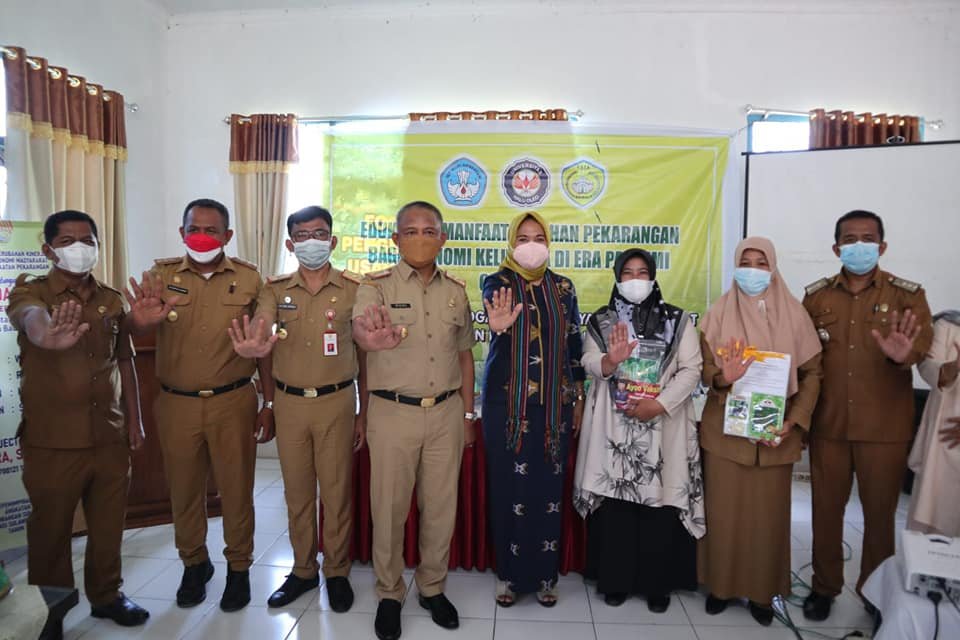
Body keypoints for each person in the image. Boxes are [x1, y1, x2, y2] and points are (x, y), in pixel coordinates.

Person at [124, 198, 270, 612]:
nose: (201, 236)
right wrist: (140, 322)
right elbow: (135, 324)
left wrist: (269, 401)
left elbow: (264, 343)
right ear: (181, 231)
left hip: (234, 401)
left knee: (237, 491)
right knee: (184, 491)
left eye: (210, 229)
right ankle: (195, 564)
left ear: (227, 236)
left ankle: (239, 569)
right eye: (193, 228)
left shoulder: (248, 278)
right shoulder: (161, 275)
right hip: (176, 404)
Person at [7, 210, 150, 628]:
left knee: (108, 526)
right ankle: (52, 608)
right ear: (48, 249)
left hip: (109, 435)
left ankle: (107, 595)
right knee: (50, 531)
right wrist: (44, 332)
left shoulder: (111, 299)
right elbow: (28, 318)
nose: (79, 248)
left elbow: (124, 363)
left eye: (88, 240)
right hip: (52, 441)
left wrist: (135, 423)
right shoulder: (29, 293)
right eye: (68, 241)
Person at [227, 205, 367, 610]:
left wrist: (363, 412)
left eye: (319, 234)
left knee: (337, 493)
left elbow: (367, 355)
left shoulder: (354, 289)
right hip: (289, 403)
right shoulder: (274, 288)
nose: (311, 242)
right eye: (302, 235)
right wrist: (256, 347)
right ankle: (303, 570)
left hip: (338, 400)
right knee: (298, 493)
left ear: (333, 240)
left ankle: (336, 571)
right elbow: (263, 326)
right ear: (290, 243)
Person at [352, 201, 476, 640]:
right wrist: (374, 338)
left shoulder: (457, 291)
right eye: (410, 231)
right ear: (395, 239)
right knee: (388, 509)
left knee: (440, 508)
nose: (420, 239)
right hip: (392, 412)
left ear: (442, 239)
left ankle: (431, 586)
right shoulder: (375, 287)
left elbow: (464, 355)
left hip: (445, 412)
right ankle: (389, 593)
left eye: (429, 231)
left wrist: (467, 412)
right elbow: (361, 334)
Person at [801, 210, 933, 621]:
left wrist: (902, 357)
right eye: (851, 239)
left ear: (882, 245)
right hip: (829, 425)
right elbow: (807, 362)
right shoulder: (817, 297)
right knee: (826, 512)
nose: (860, 245)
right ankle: (824, 587)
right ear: (837, 247)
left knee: (879, 518)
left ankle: (875, 592)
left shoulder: (907, 296)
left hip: (884, 429)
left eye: (868, 238)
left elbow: (920, 347)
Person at [698, 237, 823, 626]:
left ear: (773, 268)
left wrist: (794, 421)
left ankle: (761, 593)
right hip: (724, 435)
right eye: (745, 262)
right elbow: (703, 370)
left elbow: (813, 373)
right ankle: (719, 587)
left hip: (775, 436)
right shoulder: (717, 313)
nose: (752, 270)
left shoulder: (796, 315)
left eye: (760, 262)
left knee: (767, 520)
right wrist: (723, 375)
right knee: (722, 515)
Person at [573, 248, 704, 614]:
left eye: (641, 272)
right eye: (627, 272)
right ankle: (615, 581)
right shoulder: (601, 320)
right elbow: (587, 362)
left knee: (658, 505)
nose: (634, 280)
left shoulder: (678, 321)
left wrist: (658, 404)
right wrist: (610, 361)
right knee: (617, 506)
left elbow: (692, 369)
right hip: (615, 429)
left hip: (663, 424)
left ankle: (656, 586)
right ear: (617, 278)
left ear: (653, 276)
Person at [481, 211, 585, 608]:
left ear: (549, 241)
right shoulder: (498, 282)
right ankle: (507, 576)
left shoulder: (563, 287)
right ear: (511, 243)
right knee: (508, 489)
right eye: (522, 238)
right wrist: (499, 324)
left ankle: (545, 575)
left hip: (553, 408)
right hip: (506, 407)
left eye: (538, 236)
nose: (530, 245)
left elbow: (574, 345)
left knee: (547, 490)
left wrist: (576, 397)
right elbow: (493, 310)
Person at [906, 310, 960, 536]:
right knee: (929, 534)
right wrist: (950, 368)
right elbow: (928, 367)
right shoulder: (948, 326)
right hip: (945, 444)